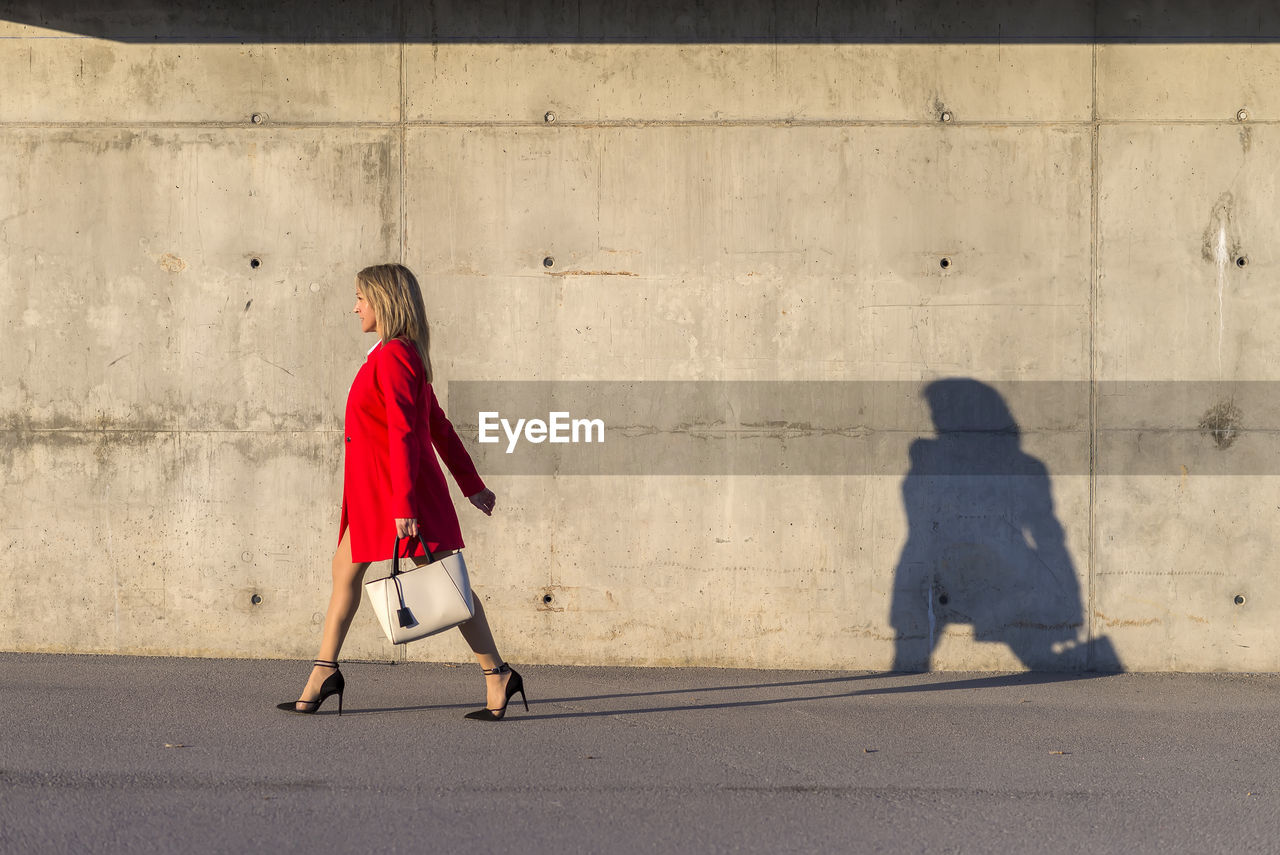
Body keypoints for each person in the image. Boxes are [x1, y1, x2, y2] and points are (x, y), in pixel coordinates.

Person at [277, 263, 526, 721]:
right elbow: (438, 427)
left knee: (450, 587)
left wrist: (407, 506)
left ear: (385, 302)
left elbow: (409, 434)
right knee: (344, 572)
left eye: (361, 298)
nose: (354, 308)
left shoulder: (395, 357)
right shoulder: (393, 354)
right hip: (375, 495)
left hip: (397, 497)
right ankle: (322, 672)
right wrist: (472, 485)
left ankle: (498, 674)